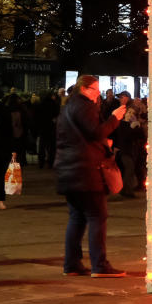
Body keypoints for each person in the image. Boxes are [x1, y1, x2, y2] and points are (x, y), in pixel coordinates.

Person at [56, 74, 127, 277]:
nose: (98, 94)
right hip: (86, 171)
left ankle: (72, 264)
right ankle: (100, 265)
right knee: (97, 216)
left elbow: (79, 137)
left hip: (69, 169)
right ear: (85, 89)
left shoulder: (67, 107)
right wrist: (115, 118)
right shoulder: (85, 106)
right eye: (95, 89)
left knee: (77, 217)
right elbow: (96, 132)